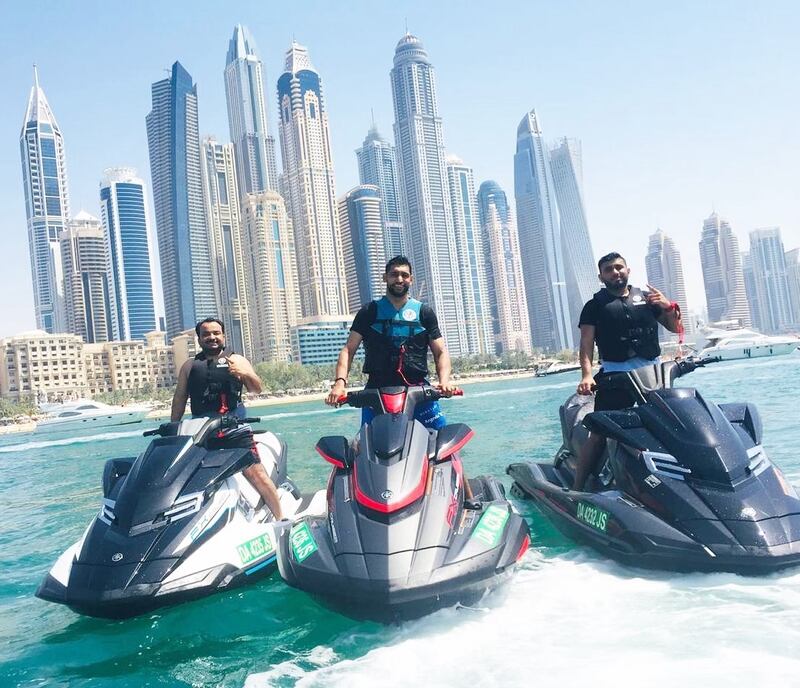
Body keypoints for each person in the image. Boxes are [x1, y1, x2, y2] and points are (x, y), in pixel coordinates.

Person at [572, 252, 683, 490]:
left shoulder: (647, 299)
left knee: (670, 425)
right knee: (600, 432)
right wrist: (586, 375)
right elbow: (586, 343)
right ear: (601, 276)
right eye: (609, 269)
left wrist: (667, 306)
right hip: (615, 376)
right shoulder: (594, 306)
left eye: (619, 267)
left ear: (628, 270)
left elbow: (675, 327)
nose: (615, 272)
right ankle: (577, 487)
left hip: (653, 374)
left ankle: (679, 479)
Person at [325, 255, 458, 429]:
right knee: (363, 445)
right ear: (385, 278)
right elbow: (348, 350)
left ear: (411, 279)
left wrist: (444, 381)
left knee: (441, 437)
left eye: (404, 275)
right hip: (376, 392)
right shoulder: (369, 312)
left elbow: (440, 352)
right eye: (394, 274)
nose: (399, 279)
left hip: (419, 391)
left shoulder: (424, 313)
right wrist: (340, 384)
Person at [171, 318, 283, 519]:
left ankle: (281, 518)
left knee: (257, 474)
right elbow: (179, 398)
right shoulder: (189, 366)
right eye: (206, 334)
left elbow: (256, 388)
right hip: (201, 432)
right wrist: (173, 428)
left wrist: (244, 373)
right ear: (199, 339)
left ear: (223, 336)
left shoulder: (237, 359)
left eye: (216, 333)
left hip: (234, 428)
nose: (211, 337)